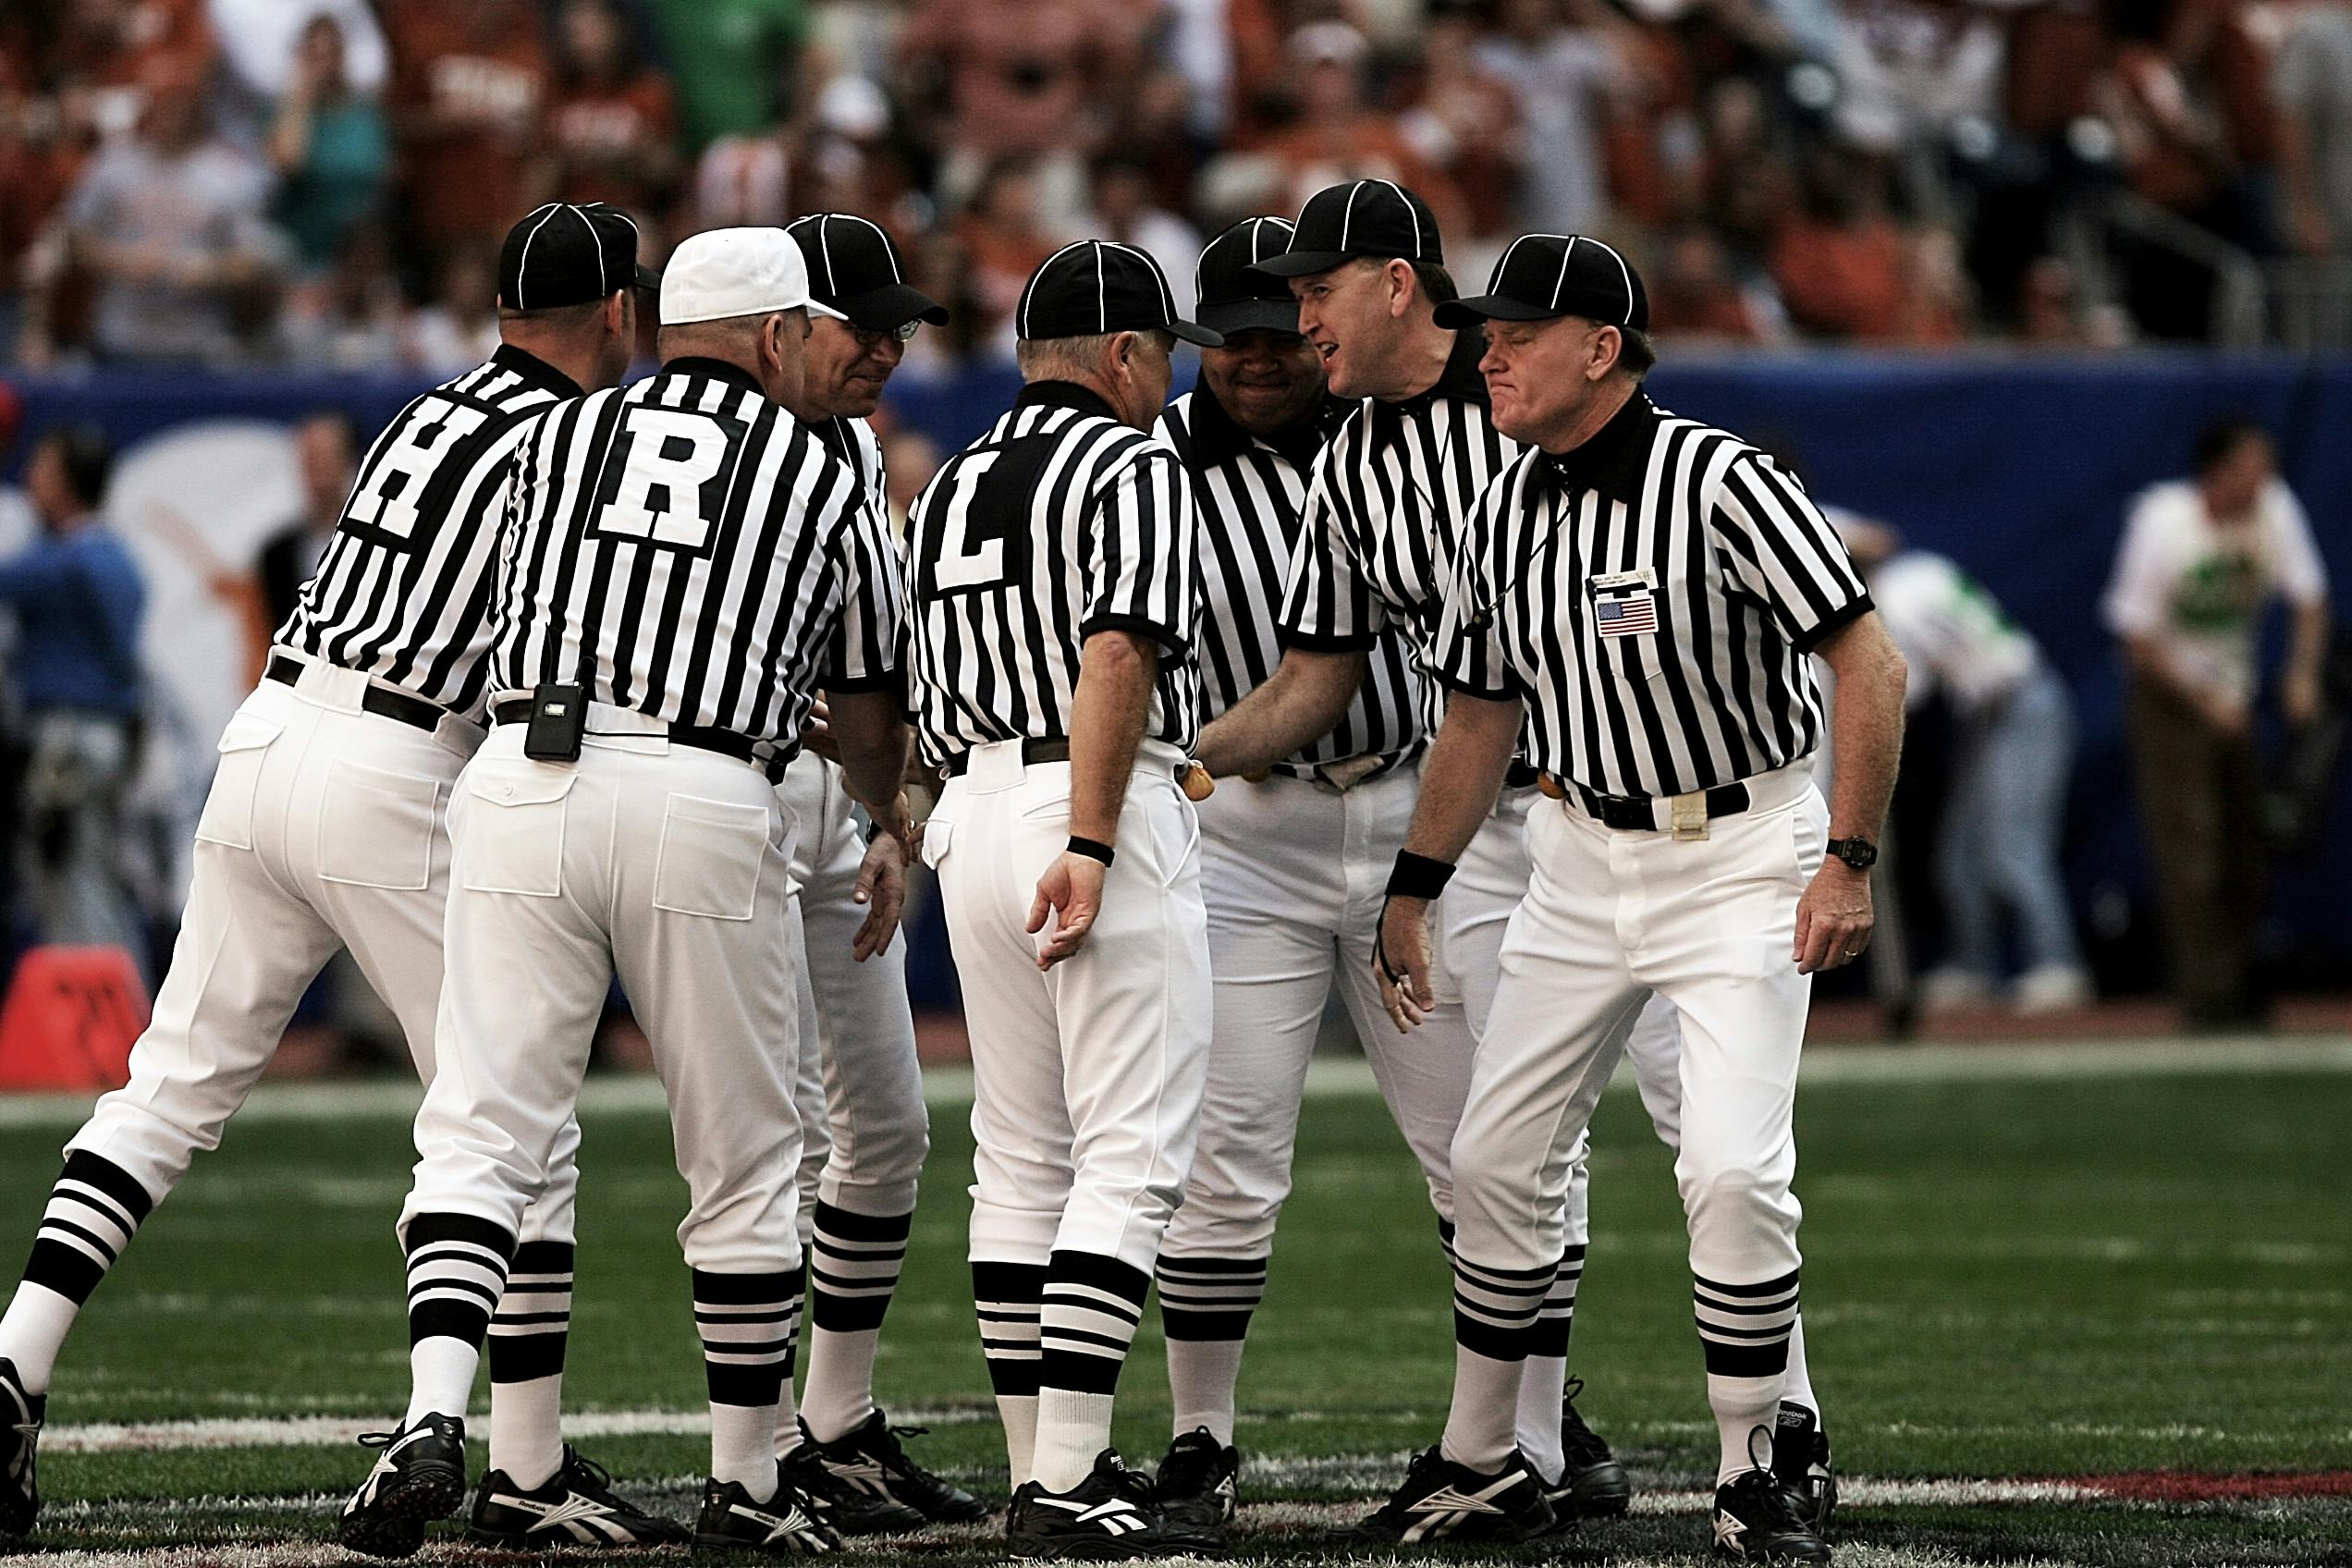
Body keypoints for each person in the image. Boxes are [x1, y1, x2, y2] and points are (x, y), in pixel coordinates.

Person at [0, 204, 663, 1554]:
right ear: (613, 315)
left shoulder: (430, 408)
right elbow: (553, 650)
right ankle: (490, 1451)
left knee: (170, 1088)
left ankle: (15, 1358)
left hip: (271, 737)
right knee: (512, 1113)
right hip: (397, 762)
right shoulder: (573, 438)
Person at [335, 226, 912, 1561]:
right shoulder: (820, 464)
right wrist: (886, 803)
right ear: (777, 336)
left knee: (484, 1127)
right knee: (745, 1158)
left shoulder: (553, 434)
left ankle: (434, 1410)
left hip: (522, 780)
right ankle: (748, 1482)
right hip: (702, 790)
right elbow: (873, 700)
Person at [1370, 234, 1905, 1562]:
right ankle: (1493, 1454)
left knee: (1728, 1166)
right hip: (1575, 855)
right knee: (1494, 1161)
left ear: (1600, 349)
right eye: (1485, 332)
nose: (1487, 354)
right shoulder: (1501, 503)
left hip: (1738, 850)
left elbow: (1872, 663)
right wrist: (1414, 885)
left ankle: (1758, 1460)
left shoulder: (1719, 480)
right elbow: (1480, 714)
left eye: (1520, 334)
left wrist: (1849, 857)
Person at [1191, 181, 1676, 1523]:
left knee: (1708, 1147)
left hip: (1632, 806)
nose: (1292, 330)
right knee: (1496, 1146)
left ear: (1399, 283)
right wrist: (1179, 764)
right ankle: (1509, 1443)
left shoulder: (1529, 408)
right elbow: (1323, 676)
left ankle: (1734, 1435)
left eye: (1314, 295)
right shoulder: (1352, 458)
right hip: (1470, 816)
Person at [1143, 214, 1467, 1544]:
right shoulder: (1146, 461)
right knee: (1222, 1150)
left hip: (1414, 800)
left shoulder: (1392, 433)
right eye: (1237, 341)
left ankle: (1526, 1425)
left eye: (1287, 334)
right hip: (1244, 827)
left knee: (1478, 1142)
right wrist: (1156, 778)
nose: (1264, 363)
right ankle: (1199, 1438)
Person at [900, 239, 1220, 1557]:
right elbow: (1118, 647)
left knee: (1022, 1159)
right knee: (1133, 1153)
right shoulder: (1134, 461)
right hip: (1080, 798)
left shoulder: (957, 472)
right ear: (1126, 357)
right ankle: (1069, 1475)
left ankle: (1045, 1462)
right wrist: (1092, 837)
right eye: (1165, 357)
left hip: (969, 806)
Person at [770, 211, 982, 1528]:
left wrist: (890, 816)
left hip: (827, 807)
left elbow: (872, 654)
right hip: (707, 796)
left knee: (888, 1129)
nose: (892, 349)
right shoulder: (700, 430)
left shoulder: (848, 447)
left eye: (902, 325)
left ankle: (833, 1419)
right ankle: (756, 1452)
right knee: (768, 1145)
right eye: (869, 323)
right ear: (785, 323)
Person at [2103, 418, 2331, 1029]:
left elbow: (2310, 598)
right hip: (2171, 701)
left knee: (2246, 847)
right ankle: (2207, 994)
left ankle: (2242, 978)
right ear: (2218, 470)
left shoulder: (2274, 509)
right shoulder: (2163, 524)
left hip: (2236, 696)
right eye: (2252, 465)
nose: (2263, 479)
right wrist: (2206, 703)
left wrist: (2301, 674)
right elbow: (2135, 636)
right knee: (2191, 851)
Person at [1833, 520, 2090, 1012]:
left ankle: (2059, 964)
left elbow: (1903, 695)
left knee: (2013, 847)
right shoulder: (1920, 568)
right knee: (1959, 856)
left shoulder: (1886, 604)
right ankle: (1975, 967)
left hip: (2021, 706)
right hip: (1990, 714)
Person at [0, 426, 144, 961]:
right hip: (104, 737)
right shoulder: (117, 558)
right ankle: (126, 1017)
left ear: (63, 483)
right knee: (98, 877)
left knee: (69, 887)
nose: (30, 481)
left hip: (67, 737)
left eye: (40, 469)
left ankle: (96, 1027)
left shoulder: (69, 563)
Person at [255, 412, 359, 631]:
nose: (317, 471)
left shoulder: (374, 547)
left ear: (348, 461)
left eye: (326, 458)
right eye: (309, 460)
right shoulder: (278, 554)